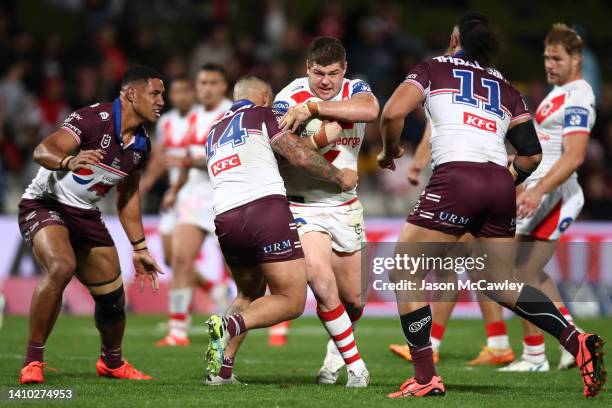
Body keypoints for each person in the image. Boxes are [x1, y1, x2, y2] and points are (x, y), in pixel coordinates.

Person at [378, 13, 605, 398]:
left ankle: (424, 377)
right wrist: (503, 183)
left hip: (456, 177)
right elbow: (530, 155)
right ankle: (574, 339)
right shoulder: (505, 85)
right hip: (499, 183)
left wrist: (389, 150)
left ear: (454, 40)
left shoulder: (433, 67)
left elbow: (391, 113)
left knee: (405, 270)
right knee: (499, 282)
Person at [203, 75, 358, 384]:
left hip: (224, 217)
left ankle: (220, 372)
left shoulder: (213, 131)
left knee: (248, 291)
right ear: (263, 96)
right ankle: (228, 325)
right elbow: (297, 156)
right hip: (264, 210)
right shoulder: (262, 114)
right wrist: (338, 177)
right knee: (291, 300)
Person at [18, 66, 165, 384]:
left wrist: (140, 248)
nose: (161, 101)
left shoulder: (140, 145)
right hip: (46, 204)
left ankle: (112, 363)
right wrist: (69, 160)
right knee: (61, 267)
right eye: (155, 93)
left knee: (113, 300)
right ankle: (32, 362)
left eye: (162, 94)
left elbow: (127, 197)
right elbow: (42, 150)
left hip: (85, 214)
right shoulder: (92, 118)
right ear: (131, 93)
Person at [272, 36, 379, 387]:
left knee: (355, 299)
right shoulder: (288, 98)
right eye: (318, 73)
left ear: (344, 70)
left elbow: (370, 110)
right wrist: (320, 137)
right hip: (303, 206)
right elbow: (282, 154)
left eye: (333, 73)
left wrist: (315, 110)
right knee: (320, 281)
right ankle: (357, 368)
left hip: (346, 206)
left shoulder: (356, 88)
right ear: (307, 69)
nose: (326, 82)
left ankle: (334, 358)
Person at [500, 23, 596, 372]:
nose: (549, 64)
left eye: (557, 58)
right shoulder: (557, 94)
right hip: (541, 191)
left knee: (512, 271)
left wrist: (537, 189)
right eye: (546, 57)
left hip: (555, 194)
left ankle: (536, 354)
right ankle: (568, 340)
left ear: (576, 59)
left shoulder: (578, 96)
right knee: (526, 271)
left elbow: (573, 156)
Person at [155, 64, 232, 346]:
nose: (207, 88)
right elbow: (188, 158)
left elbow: (221, 158)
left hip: (226, 196)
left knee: (236, 266)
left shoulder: (233, 113)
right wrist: (174, 190)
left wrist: (187, 162)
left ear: (224, 86)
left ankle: (240, 317)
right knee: (179, 258)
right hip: (194, 196)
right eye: (203, 83)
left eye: (213, 82)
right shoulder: (194, 117)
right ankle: (178, 330)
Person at [139, 75, 206, 346]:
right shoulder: (165, 122)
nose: (179, 97)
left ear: (193, 93)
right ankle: (210, 289)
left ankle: (180, 324)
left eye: (184, 91)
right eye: (174, 92)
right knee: (171, 257)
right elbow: (160, 157)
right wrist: (147, 183)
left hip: (206, 192)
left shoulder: (204, 117)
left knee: (184, 259)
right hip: (178, 194)